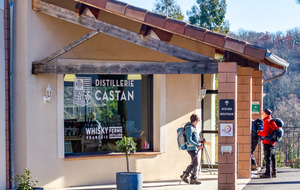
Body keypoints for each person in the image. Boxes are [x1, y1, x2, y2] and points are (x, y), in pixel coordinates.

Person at [180, 114, 206, 184]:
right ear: (195, 120)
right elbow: (189, 140)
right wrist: (198, 146)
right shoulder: (189, 128)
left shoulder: (192, 127)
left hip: (194, 147)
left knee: (195, 163)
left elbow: (194, 139)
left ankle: (193, 178)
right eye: (198, 121)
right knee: (195, 163)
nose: (198, 122)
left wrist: (201, 141)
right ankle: (185, 175)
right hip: (191, 148)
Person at [258, 109, 277, 178]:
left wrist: (259, 132)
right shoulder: (272, 121)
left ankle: (267, 173)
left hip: (267, 142)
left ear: (266, 114)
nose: (262, 115)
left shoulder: (266, 122)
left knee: (267, 158)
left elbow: (265, 133)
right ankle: (274, 172)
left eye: (263, 113)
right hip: (272, 142)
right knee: (273, 157)